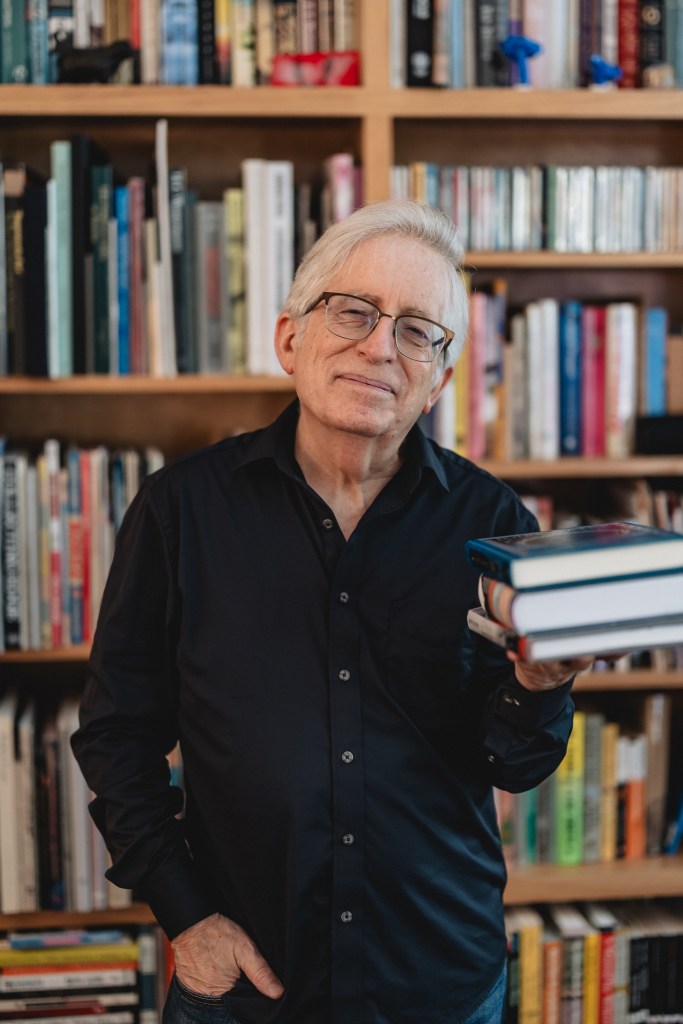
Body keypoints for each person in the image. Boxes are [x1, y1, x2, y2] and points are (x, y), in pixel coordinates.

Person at [72, 199, 589, 1024]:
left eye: (418, 330)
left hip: (439, 982)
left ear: (439, 380)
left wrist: (538, 681)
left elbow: (513, 763)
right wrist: (186, 916)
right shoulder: (180, 511)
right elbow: (114, 733)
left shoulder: (494, 525)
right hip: (242, 988)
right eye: (352, 312)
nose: (380, 346)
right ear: (290, 339)